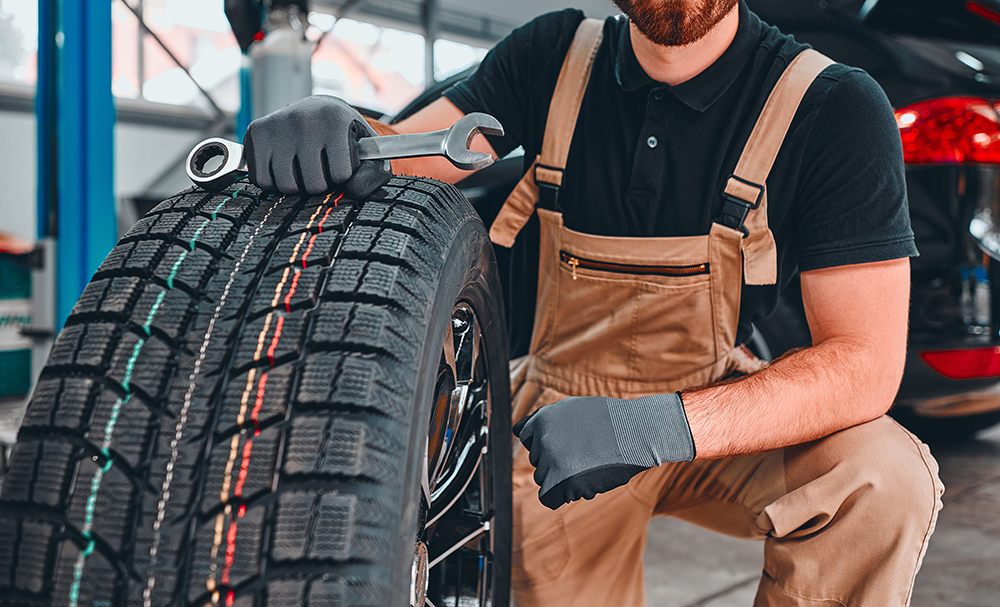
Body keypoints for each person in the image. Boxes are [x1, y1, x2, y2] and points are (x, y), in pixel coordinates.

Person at [242, 1, 944, 605]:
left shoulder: (830, 105)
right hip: (559, 426)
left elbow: (865, 362)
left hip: (714, 410)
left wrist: (653, 426)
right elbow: (414, 149)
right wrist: (340, 132)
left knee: (881, 478)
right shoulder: (554, 56)